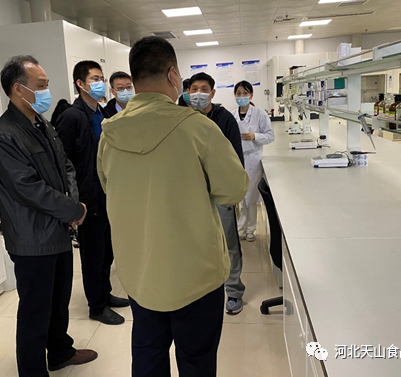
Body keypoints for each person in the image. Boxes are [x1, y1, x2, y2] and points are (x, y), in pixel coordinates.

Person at [97, 36, 249, 377]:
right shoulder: (197, 127)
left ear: (133, 80)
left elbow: (109, 186)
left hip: (140, 272)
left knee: (148, 356)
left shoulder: (109, 135)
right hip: (194, 275)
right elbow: (234, 189)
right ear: (172, 74)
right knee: (196, 361)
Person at [0, 55, 96, 377]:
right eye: (41, 85)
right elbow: (28, 188)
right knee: (35, 310)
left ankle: (60, 351)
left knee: (59, 300)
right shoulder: (4, 135)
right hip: (32, 238)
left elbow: (65, 166)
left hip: (58, 229)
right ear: (18, 89)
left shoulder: (41, 123)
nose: (47, 91)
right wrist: (73, 210)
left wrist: (73, 206)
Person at [56, 60, 129, 326]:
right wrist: (74, 202)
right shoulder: (72, 117)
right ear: (80, 84)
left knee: (107, 251)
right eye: (95, 79)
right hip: (88, 198)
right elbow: (62, 162)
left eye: (101, 79)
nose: (100, 84)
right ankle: (96, 306)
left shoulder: (101, 113)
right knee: (93, 254)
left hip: (107, 193)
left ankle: (105, 293)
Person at [187, 72, 247, 315]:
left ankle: (233, 291)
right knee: (195, 242)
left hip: (219, 193)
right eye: (194, 89)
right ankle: (201, 289)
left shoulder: (224, 119)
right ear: (187, 92)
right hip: (192, 194)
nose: (198, 94)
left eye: (204, 89)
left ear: (212, 93)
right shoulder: (182, 118)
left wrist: (233, 192)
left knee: (228, 242)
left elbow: (236, 158)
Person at [231, 81, 275, 242]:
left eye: (245, 93)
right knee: (240, 196)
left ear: (251, 95)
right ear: (235, 95)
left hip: (253, 159)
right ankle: (240, 228)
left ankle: (249, 229)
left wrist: (255, 136)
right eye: (238, 93)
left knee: (251, 196)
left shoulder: (260, 114)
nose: (241, 96)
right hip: (236, 159)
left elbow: (270, 136)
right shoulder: (232, 115)